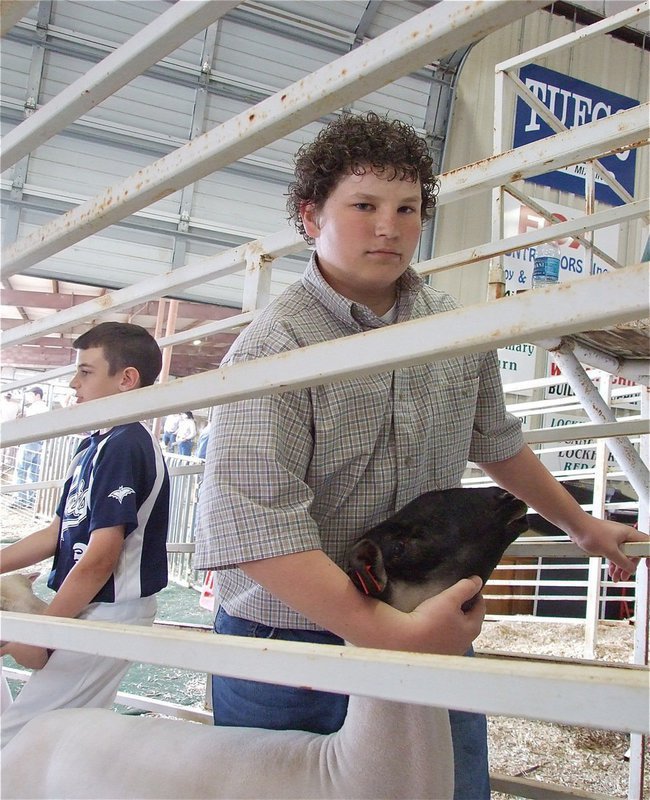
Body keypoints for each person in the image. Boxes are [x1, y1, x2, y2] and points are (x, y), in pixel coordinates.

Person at [193, 112, 646, 799]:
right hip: (292, 639)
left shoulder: (451, 326)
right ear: (312, 218)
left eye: (408, 208)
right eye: (365, 205)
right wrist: (387, 636)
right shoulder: (273, 349)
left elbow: (495, 439)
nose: (389, 226)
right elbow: (259, 534)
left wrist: (580, 524)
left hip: (422, 621)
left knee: (452, 789)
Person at [0, 322, 170, 748]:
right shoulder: (95, 445)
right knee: (60, 732)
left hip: (110, 609)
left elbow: (100, 558)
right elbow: (58, 531)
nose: (74, 384)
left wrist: (42, 632)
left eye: (86, 372)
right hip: (89, 603)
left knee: (22, 739)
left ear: (126, 379)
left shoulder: (125, 444)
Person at [12, 386, 48, 509]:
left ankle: (19, 498)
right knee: (34, 472)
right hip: (39, 442)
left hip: (30, 440)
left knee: (21, 469)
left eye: (30, 395)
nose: (29, 398)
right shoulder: (45, 408)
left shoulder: (35, 408)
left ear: (37, 395)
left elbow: (28, 425)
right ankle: (31, 501)